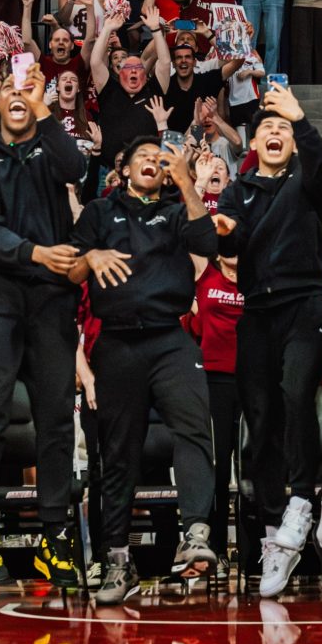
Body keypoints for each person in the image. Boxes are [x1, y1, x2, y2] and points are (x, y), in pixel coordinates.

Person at [0, 61, 94, 591]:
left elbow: (76, 168)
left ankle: (55, 534)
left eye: (27, 89)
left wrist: (44, 111)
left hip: (50, 294)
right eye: (9, 90)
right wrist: (35, 251)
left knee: (56, 413)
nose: (18, 96)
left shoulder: (49, 143)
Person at [75, 139, 225, 603]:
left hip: (168, 337)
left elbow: (208, 242)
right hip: (118, 341)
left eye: (160, 161)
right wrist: (90, 259)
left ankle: (196, 532)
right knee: (117, 454)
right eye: (141, 156)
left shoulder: (177, 212)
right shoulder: (100, 212)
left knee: (195, 424)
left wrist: (185, 181)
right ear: (121, 169)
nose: (151, 163)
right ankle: (118, 561)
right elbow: (68, 273)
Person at [217, 84, 322, 597]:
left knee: (294, 393)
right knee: (260, 420)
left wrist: (299, 118)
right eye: (266, 126)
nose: (274, 132)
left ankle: (303, 501)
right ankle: (272, 537)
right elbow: (232, 238)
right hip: (257, 311)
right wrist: (222, 231)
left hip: (306, 302)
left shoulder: (306, 180)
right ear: (252, 143)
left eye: (282, 129)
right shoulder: (238, 189)